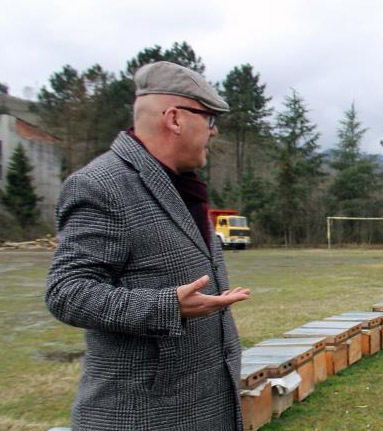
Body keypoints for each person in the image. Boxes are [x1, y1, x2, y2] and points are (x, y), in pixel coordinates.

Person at [46, 61, 251, 431]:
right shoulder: (100, 185)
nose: (214, 131)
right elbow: (66, 292)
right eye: (209, 119)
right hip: (143, 416)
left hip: (200, 409)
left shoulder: (182, 186)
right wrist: (167, 306)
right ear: (175, 118)